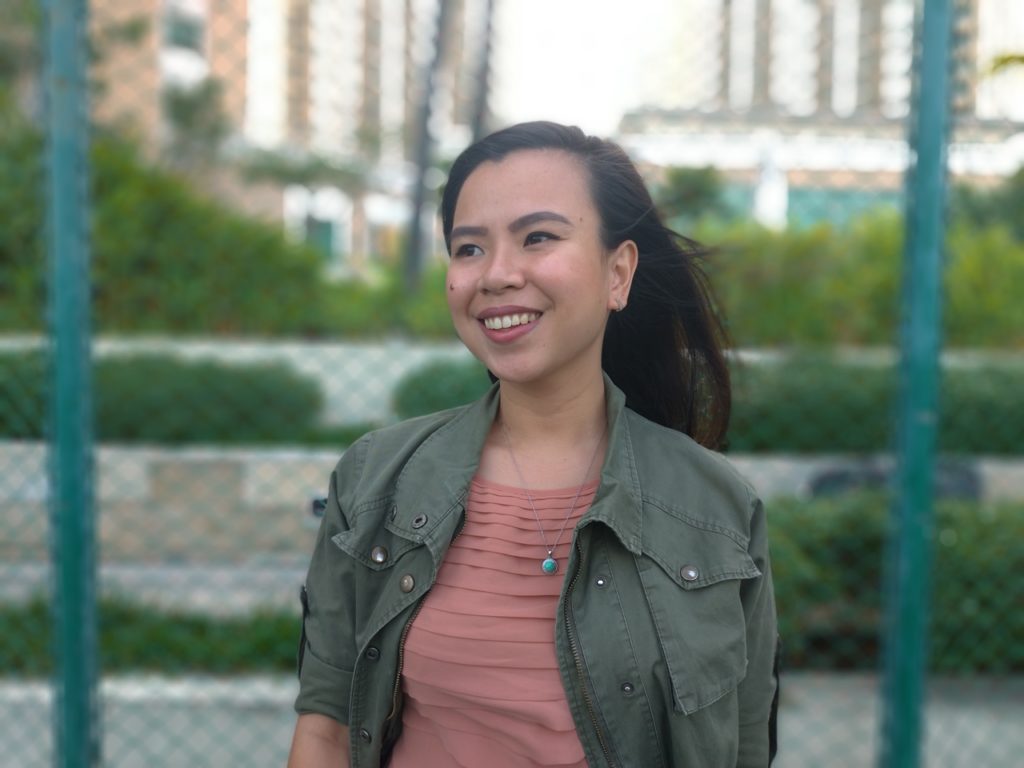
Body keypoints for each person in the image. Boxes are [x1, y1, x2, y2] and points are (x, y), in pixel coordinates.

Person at [287, 121, 778, 768]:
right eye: (468, 248)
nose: (496, 274)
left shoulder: (715, 507)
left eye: (538, 237)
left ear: (618, 273)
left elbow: (744, 747)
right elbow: (325, 731)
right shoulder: (376, 480)